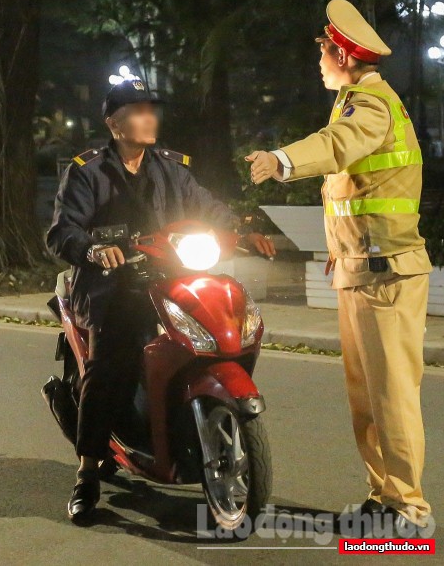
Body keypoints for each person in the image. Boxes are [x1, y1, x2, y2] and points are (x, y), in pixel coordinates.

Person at [46, 77, 275, 522]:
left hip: (171, 278)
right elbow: (62, 230)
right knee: (108, 365)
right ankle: (87, 471)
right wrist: (93, 249)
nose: (149, 118)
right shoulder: (87, 171)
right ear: (115, 124)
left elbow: (207, 206)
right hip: (113, 286)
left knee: (211, 327)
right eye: (137, 111)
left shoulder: (171, 168)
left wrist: (243, 229)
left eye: (152, 110)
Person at [246, 0, 433, 537]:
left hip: (386, 274)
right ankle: (384, 496)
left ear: (344, 56)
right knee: (367, 397)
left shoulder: (370, 104)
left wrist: (281, 160)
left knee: (391, 397)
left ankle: (408, 510)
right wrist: (341, 245)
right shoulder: (355, 101)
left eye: (324, 52)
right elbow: (359, 188)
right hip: (362, 268)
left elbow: (337, 146)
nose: (320, 61)